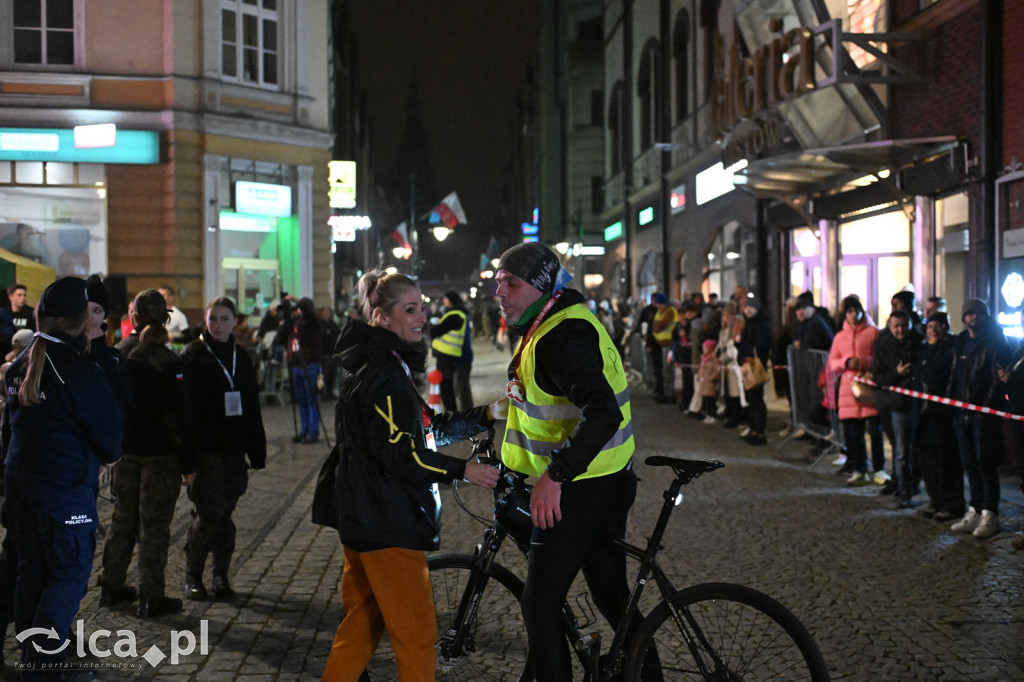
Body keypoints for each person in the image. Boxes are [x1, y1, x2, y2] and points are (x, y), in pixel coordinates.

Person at [320, 270, 501, 681]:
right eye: (410, 309)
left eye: (422, 306)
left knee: (361, 628)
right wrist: (464, 470)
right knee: (417, 638)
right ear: (382, 317)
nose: (422, 316)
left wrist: (485, 415)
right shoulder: (384, 371)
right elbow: (401, 455)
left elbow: (424, 427)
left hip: (363, 514)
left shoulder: (381, 363)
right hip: (386, 520)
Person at [494, 242, 638, 682]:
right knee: (612, 597)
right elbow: (538, 402)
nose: (500, 292)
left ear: (539, 288)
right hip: (607, 477)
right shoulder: (554, 322)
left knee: (538, 604)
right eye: (497, 282)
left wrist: (555, 475)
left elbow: (604, 411)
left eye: (511, 283)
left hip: (580, 488)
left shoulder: (561, 335)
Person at [1, 277, 123, 677]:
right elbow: (109, 435)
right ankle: (44, 666)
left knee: (31, 573)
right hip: (63, 490)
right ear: (77, 320)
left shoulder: (22, 361)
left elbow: (10, 429)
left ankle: (36, 659)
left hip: (22, 485)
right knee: (66, 576)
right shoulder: (76, 368)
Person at [99, 289, 198, 618]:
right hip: (160, 456)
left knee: (122, 520)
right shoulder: (170, 362)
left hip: (125, 453)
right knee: (153, 527)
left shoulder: (118, 355)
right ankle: (151, 596)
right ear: (166, 318)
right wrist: (189, 462)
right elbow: (182, 415)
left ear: (134, 318)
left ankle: (111, 586)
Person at [180, 297, 266, 602]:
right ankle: (193, 576)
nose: (217, 324)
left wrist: (257, 448)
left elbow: (252, 404)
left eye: (224, 318)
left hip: (233, 448)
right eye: (212, 318)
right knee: (208, 513)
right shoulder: (192, 355)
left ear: (234, 321)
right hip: (206, 450)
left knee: (225, 514)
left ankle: (220, 576)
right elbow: (184, 411)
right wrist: (187, 457)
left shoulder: (240, 357)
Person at [946, 298, 1011, 539]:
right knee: (969, 462)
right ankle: (974, 508)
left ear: (984, 316)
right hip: (961, 411)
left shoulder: (995, 341)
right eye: (969, 314)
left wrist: (983, 408)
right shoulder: (962, 341)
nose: (972, 318)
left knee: (985, 463)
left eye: (977, 314)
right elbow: (956, 375)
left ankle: (989, 512)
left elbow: (996, 379)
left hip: (983, 413)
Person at [910, 312, 963, 522]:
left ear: (945, 327)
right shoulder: (926, 351)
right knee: (928, 462)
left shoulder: (951, 350)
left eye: (937, 326)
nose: (932, 330)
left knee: (946, 462)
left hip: (940, 416)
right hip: (923, 416)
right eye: (929, 326)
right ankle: (935, 499)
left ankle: (952, 503)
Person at [871, 310, 923, 508]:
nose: (900, 330)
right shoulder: (883, 345)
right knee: (901, 450)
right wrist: (896, 373)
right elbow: (877, 377)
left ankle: (915, 485)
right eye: (896, 326)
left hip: (919, 404)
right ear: (890, 326)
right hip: (898, 404)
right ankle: (904, 490)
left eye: (904, 325)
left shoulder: (919, 342)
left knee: (917, 449)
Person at [828, 295, 880, 486]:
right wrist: (846, 363)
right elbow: (832, 363)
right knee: (853, 432)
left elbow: (880, 357)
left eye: (856, 310)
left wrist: (865, 362)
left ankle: (879, 468)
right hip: (848, 390)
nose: (853, 314)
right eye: (849, 311)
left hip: (868, 386)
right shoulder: (840, 336)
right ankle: (860, 469)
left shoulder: (874, 332)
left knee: (875, 430)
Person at [279, 297, 324, 444]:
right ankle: (304, 430)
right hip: (296, 365)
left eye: (300, 308)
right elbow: (282, 336)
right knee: (301, 400)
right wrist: (285, 318)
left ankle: (313, 431)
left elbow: (310, 312)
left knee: (312, 400)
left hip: (310, 364)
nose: (298, 310)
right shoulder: (296, 323)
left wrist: (295, 300)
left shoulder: (313, 323)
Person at [429, 290, 474, 412]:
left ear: (451, 300)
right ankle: (463, 414)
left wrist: (433, 326)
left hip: (453, 356)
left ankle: (457, 415)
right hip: (458, 355)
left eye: (445, 299)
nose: (443, 302)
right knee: (459, 387)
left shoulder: (455, 315)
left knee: (453, 388)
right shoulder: (461, 314)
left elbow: (436, 331)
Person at [738, 295, 772, 445]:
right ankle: (753, 429)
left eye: (750, 307)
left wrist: (749, 352)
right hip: (747, 364)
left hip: (756, 366)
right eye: (746, 307)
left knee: (756, 398)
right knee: (750, 398)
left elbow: (762, 346)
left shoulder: (761, 325)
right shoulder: (749, 324)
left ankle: (759, 431)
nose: (748, 310)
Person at [694, 338, 721, 423]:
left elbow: (717, 370)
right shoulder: (703, 358)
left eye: (705, 348)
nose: (704, 350)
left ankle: (712, 415)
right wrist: (699, 376)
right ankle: (707, 414)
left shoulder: (713, 359)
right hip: (703, 382)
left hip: (709, 383)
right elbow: (701, 369)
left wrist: (712, 378)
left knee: (710, 400)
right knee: (705, 399)